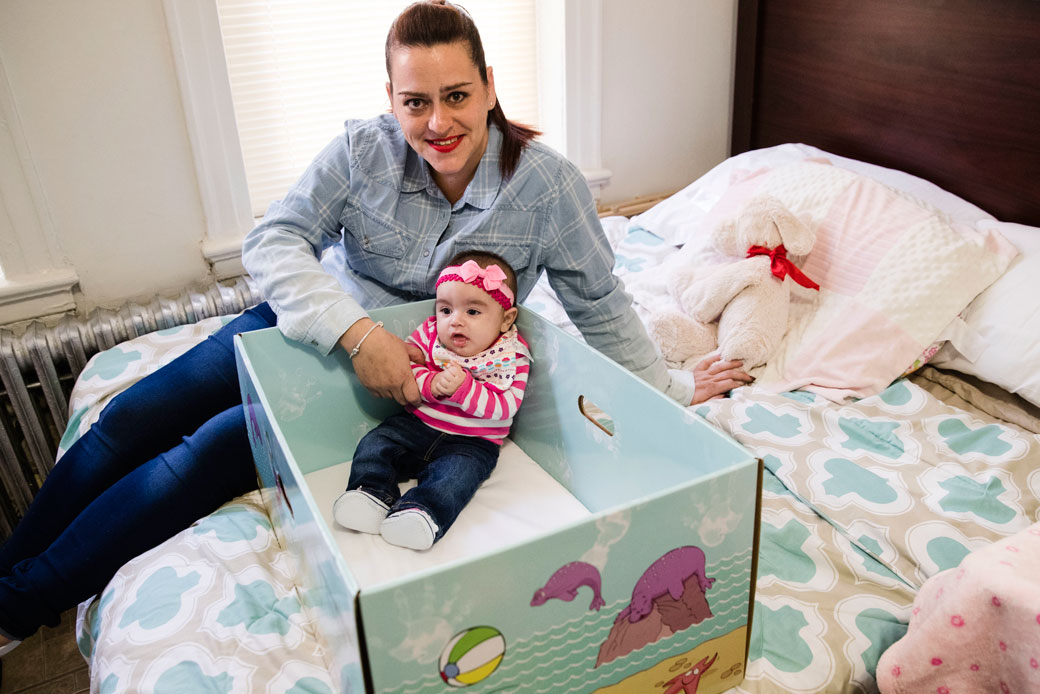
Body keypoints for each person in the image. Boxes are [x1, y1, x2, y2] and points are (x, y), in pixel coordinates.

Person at [0, 0, 750, 655]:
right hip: (318, 328)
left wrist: (670, 389)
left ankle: (19, 604)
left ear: (490, 87)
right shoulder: (363, 150)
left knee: (206, 452)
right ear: (391, 100)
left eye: (457, 95)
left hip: (414, 375)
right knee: (129, 418)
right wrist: (357, 335)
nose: (437, 121)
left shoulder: (547, 187)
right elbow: (275, 242)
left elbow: (601, 302)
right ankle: (10, 569)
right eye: (414, 101)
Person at [333, 251, 530, 550]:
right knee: (376, 443)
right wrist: (431, 384)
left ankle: (420, 513)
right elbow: (407, 366)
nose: (455, 322)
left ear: (506, 319)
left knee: (454, 480)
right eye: (446, 310)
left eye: (472, 312)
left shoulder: (511, 355)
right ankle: (370, 492)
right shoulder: (429, 334)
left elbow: (505, 409)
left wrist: (465, 388)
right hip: (417, 424)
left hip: (471, 443)